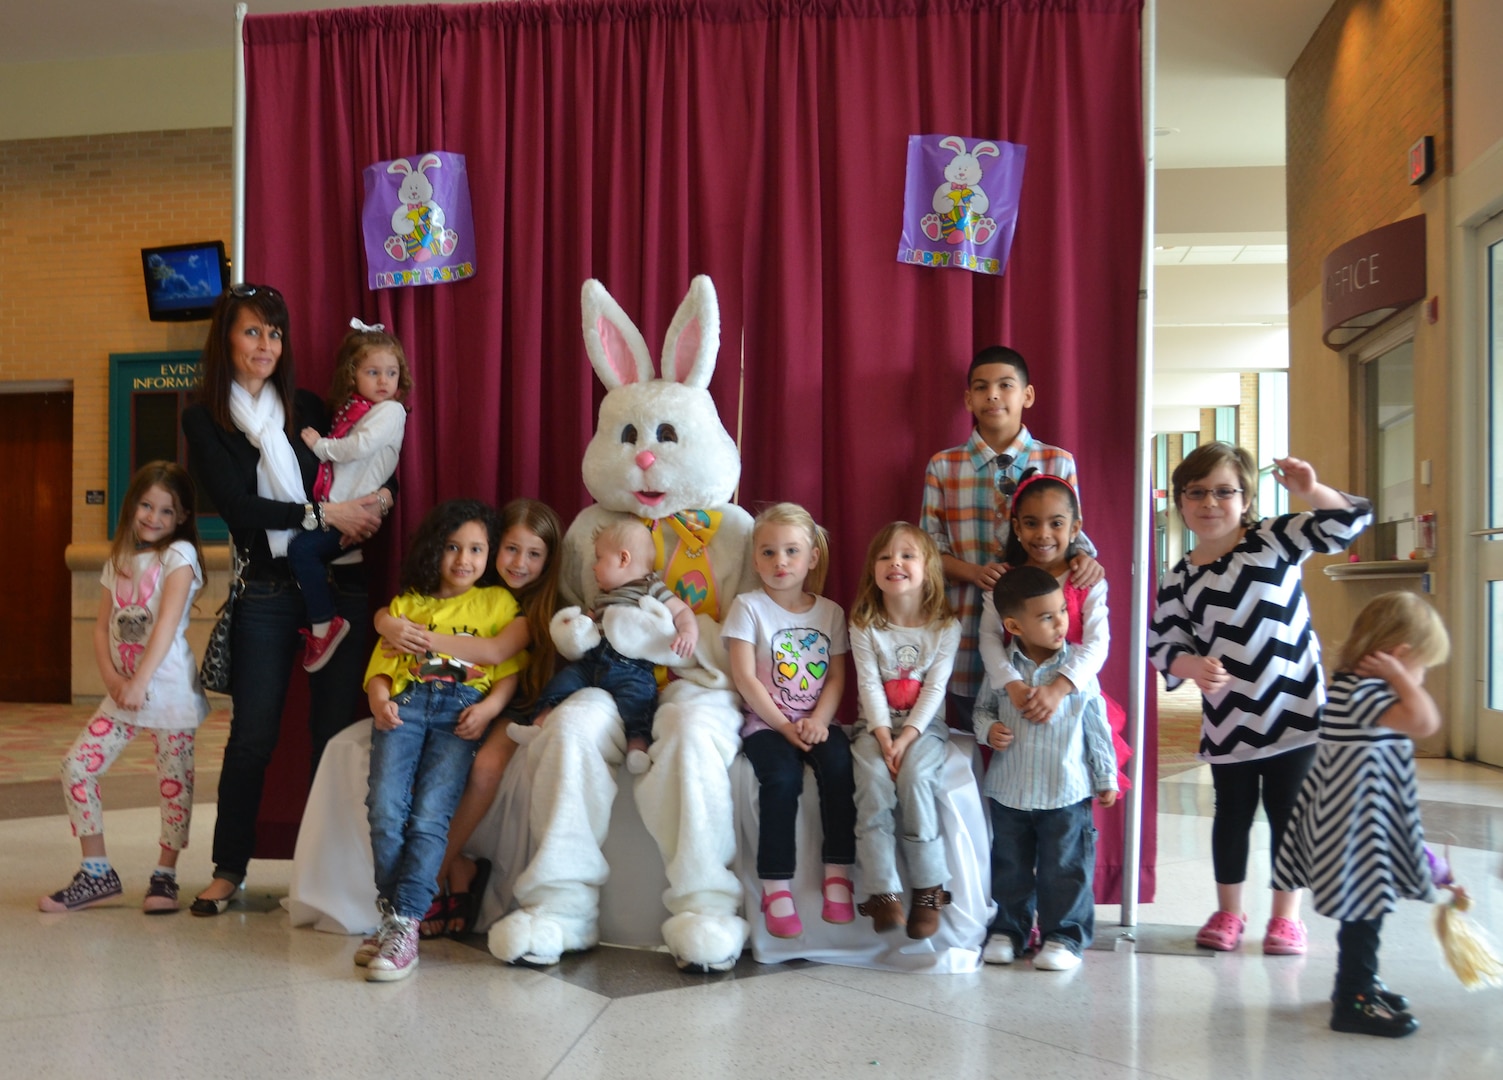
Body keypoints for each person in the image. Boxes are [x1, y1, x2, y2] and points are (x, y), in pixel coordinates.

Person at [182, 283, 393, 916]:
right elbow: (237, 506)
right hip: (267, 590)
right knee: (254, 735)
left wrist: (377, 504)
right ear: (226, 340)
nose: (265, 345)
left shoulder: (304, 404)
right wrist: (322, 512)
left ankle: (324, 874)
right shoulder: (204, 416)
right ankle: (227, 869)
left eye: (275, 333)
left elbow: (358, 468)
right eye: (252, 332)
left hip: (336, 580)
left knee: (331, 734)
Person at [1148, 443, 1371, 955]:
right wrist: (1190, 666)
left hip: (1295, 712)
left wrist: (1312, 490)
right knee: (1232, 816)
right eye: (1197, 492)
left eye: (1224, 492)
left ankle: (1286, 917)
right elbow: (1163, 645)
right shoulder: (1178, 577)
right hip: (1231, 722)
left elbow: (1350, 521)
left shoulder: (1276, 538)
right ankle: (1229, 911)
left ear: (1246, 498)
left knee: (1290, 815)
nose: (1210, 503)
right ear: (1180, 502)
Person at [376, 497, 561, 939]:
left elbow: (495, 653)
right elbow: (403, 614)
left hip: (522, 702)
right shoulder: (474, 592)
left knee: (486, 767)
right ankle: (453, 870)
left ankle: (428, 881)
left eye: (534, 554)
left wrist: (415, 635)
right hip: (461, 695)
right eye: (511, 550)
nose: (519, 563)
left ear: (549, 560)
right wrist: (387, 621)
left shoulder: (534, 605)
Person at [358, 500, 527, 982]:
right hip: (406, 708)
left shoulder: (498, 604)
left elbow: (507, 672)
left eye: (476, 549)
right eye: (453, 547)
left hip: (459, 712)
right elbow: (381, 668)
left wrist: (489, 709)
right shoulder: (408, 605)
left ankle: (405, 920)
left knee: (431, 814)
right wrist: (378, 700)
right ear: (435, 550)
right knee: (385, 809)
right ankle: (396, 918)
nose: (464, 560)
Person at [1273, 592, 1449, 1038]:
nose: (1421, 678)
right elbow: (1426, 722)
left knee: (1367, 914)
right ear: (1399, 656)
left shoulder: (1357, 687)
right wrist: (1404, 681)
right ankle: (1354, 1000)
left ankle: (1358, 985)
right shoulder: (1367, 691)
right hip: (1357, 829)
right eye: (1422, 668)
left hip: (1363, 822)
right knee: (1365, 915)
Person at [40, 462, 208, 915]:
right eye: (146, 505)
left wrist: (139, 681)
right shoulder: (118, 561)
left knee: (174, 787)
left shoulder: (180, 558)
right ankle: (97, 872)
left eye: (167, 512)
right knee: (77, 767)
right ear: (132, 506)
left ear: (181, 518)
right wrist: (114, 681)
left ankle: (165, 875)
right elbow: (100, 630)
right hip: (122, 695)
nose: (154, 517)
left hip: (168, 694)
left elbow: (165, 627)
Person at [920, 345, 1101, 734]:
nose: (994, 395)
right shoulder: (943, 465)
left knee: (1041, 741)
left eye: (1006, 385)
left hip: (1047, 642)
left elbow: (1074, 534)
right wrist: (972, 572)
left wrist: (1087, 559)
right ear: (968, 398)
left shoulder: (1058, 461)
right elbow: (928, 550)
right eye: (982, 388)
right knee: (980, 736)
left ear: (1027, 395)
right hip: (970, 629)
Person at [973, 565, 1118, 971]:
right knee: (1010, 866)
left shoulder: (1076, 670)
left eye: (1062, 612)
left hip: (1066, 789)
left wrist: (1105, 775)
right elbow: (982, 710)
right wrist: (990, 731)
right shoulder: (1004, 669)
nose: (1061, 624)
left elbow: (1097, 723)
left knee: (1065, 868)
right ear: (1014, 625)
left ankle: (1063, 936)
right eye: (1046, 616)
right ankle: (1009, 929)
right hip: (1010, 790)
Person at [723, 503, 856, 940]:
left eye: (791, 551)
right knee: (781, 780)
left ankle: (837, 872)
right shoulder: (748, 607)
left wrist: (819, 720)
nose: (780, 562)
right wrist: (782, 726)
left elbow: (836, 676)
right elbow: (745, 677)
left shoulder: (831, 613)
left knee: (839, 769)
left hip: (819, 722)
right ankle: (775, 885)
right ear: (755, 557)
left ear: (812, 557)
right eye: (768, 552)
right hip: (767, 725)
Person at [978, 472, 1131, 792]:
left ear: (1075, 527)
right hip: (1022, 696)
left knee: (1072, 783)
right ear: (1017, 527)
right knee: (1024, 776)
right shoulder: (1005, 583)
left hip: (1073, 697)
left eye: (1056, 523)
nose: (1043, 534)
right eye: (1032, 523)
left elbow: (1098, 642)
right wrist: (1012, 684)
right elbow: (989, 637)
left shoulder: (1087, 580)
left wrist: (1061, 686)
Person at [847, 522, 961, 938]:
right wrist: (882, 737)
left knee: (914, 779)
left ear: (928, 568)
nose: (895, 562)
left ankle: (929, 889)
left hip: (925, 727)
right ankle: (883, 893)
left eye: (907, 555)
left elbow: (934, 689)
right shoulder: (864, 623)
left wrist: (908, 737)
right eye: (885, 556)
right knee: (874, 780)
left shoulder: (945, 626)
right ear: (873, 570)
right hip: (873, 726)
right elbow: (869, 684)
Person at [290, 318, 410, 672]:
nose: (384, 381)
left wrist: (322, 446)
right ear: (352, 375)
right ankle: (343, 566)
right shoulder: (355, 412)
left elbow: (359, 447)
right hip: (345, 507)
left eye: (391, 373)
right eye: (373, 372)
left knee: (301, 551)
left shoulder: (390, 410)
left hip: (352, 507)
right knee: (312, 550)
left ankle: (324, 625)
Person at [530, 519, 697, 775]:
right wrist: (572, 626)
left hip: (632, 665)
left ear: (623, 559)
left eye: (598, 558)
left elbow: (682, 611)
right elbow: (585, 624)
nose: (593, 567)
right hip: (593, 660)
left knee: (639, 700)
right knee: (563, 681)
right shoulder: (601, 597)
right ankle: (539, 722)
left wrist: (687, 631)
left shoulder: (650, 586)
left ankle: (637, 747)